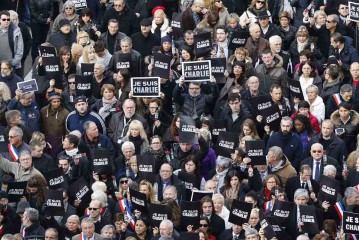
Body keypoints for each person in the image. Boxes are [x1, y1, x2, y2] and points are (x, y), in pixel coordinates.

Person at [40, 92, 69, 158]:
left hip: (59, 140)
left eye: (58, 101)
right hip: (46, 139)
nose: (56, 103)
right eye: (54, 102)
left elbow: (66, 129)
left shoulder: (65, 112)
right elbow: (40, 125)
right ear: (50, 102)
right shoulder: (43, 111)